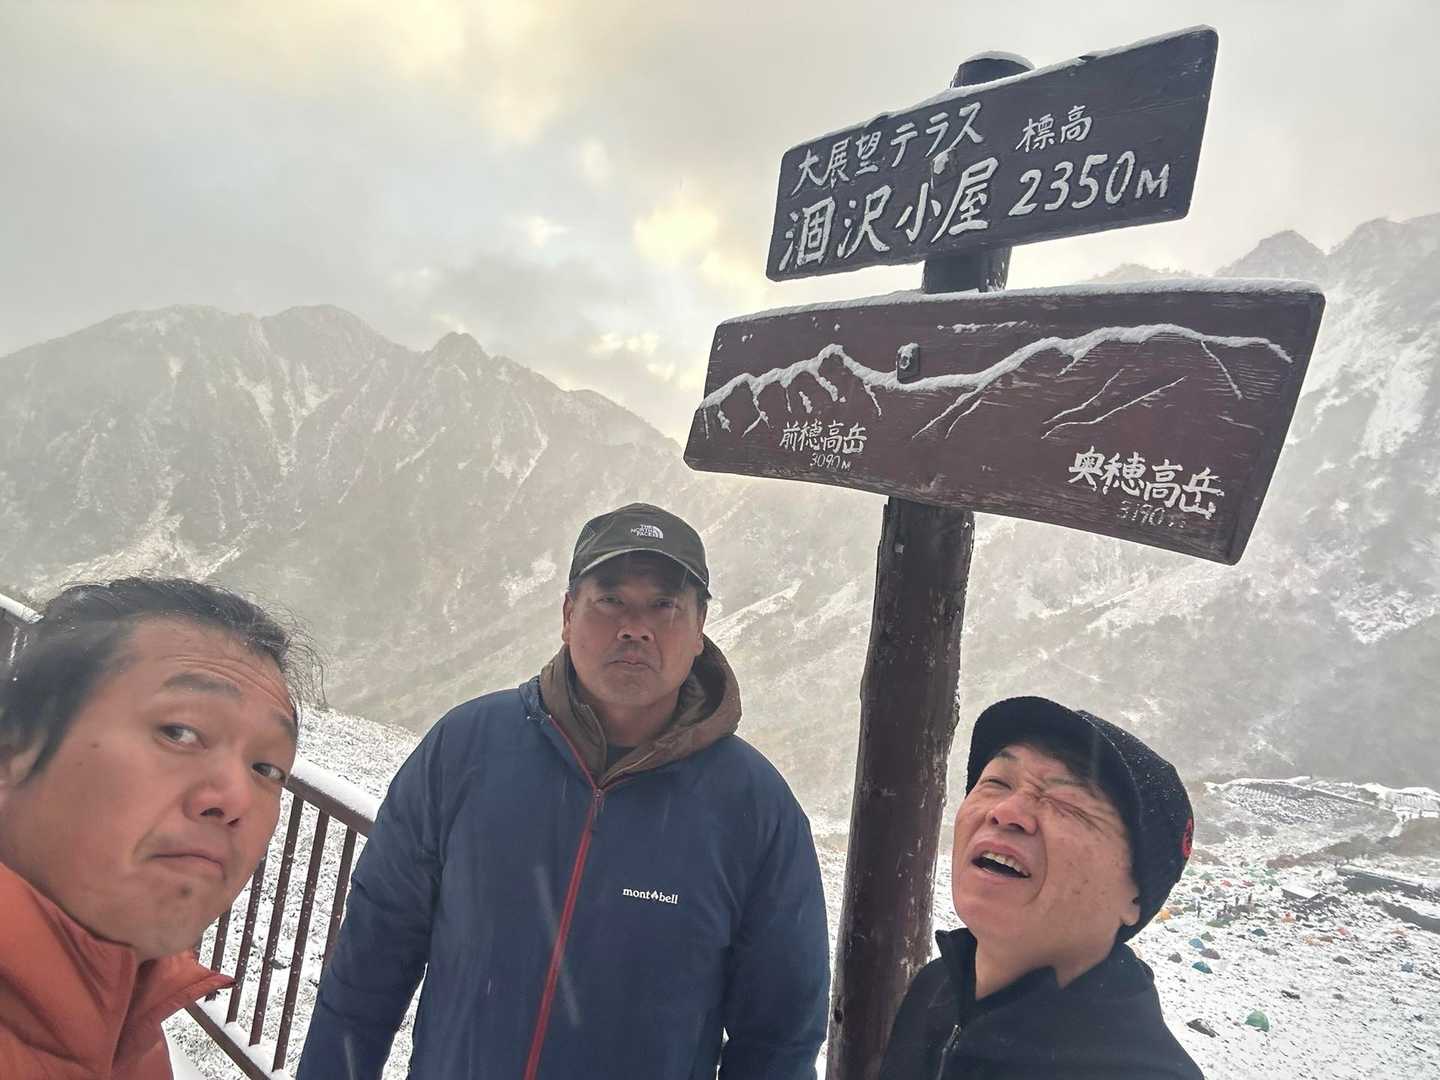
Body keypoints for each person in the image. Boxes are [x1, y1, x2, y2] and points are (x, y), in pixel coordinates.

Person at [299, 502, 830, 1079]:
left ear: (700, 628)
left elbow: (779, 1037)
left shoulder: (755, 809)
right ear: (568, 613)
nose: (635, 627)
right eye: (611, 599)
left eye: (664, 605)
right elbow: (371, 958)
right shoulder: (466, 749)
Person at [0, 577, 306, 1080]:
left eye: (267, 768)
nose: (237, 798)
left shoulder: (125, 1029)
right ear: (12, 753)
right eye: (178, 732)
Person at [879, 696, 1202, 1079]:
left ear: (1136, 896)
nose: (1006, 812)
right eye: (996, 782)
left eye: (1067, 802)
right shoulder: (933, 989)